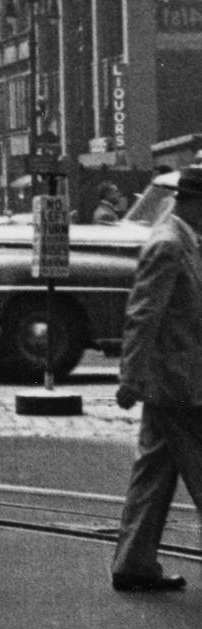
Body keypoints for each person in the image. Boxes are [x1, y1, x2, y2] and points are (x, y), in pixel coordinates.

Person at [109, 166, 202, 593]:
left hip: (177, 378)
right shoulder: (168, 244)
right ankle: (133, 560)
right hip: (178, 383)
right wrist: (131, 376)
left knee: (154, 470)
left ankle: (134, 560)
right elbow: (143, 315)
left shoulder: (184, 240)